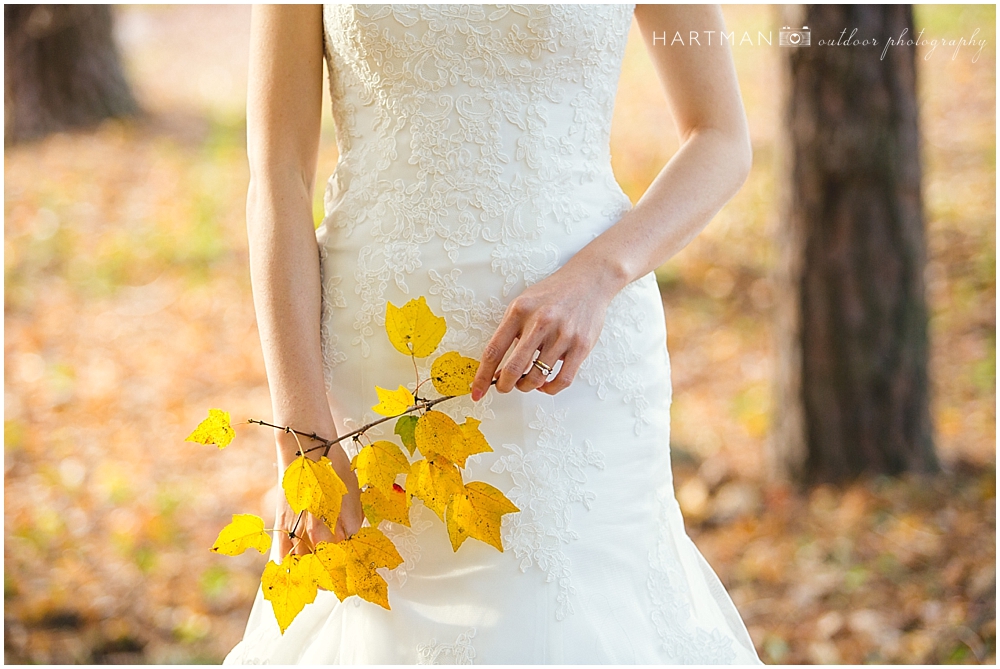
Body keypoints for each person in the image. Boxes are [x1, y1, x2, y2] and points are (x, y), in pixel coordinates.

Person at [225, 3, 761, 664]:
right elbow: (279, 177)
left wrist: (599, 274)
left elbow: (721, 137)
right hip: (378, 373)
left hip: (577, 364)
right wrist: (300, 430)